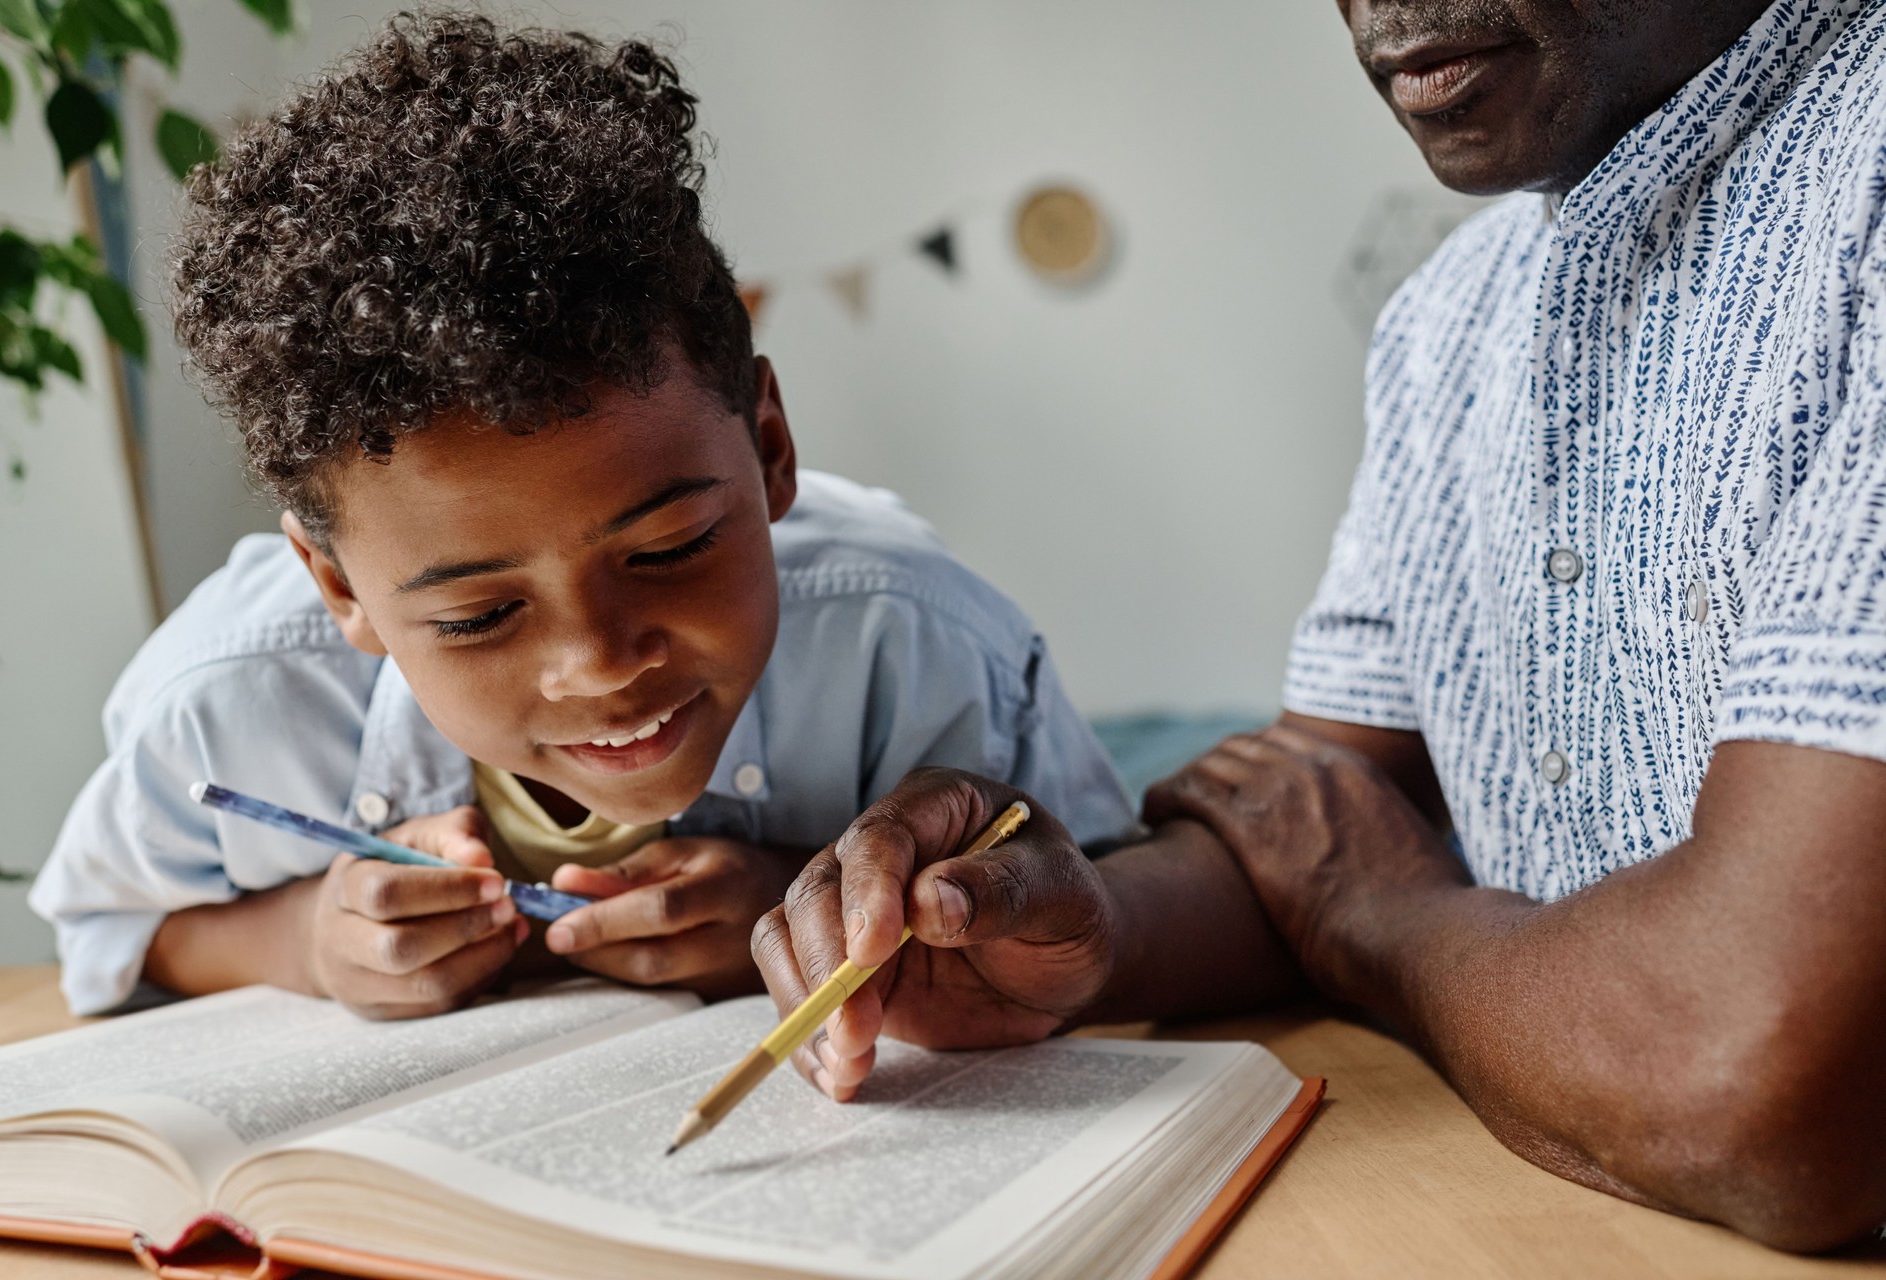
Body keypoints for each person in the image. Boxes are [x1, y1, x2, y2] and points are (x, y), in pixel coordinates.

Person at [754, 0, 1886, 1251]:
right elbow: (1313, 806)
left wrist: (1384, 918)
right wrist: (1066, 922)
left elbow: (1754, 1076)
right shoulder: (1448, 317)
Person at [29, 12, 1132, 1022]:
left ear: (771, 449)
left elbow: (1113, 894)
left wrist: (799, 894)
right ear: (339, 589)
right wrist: (304, 939)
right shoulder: (226, 700)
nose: (602, 661)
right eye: (476, 614)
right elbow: (110, 928)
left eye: (670, 547)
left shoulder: (922, 644)